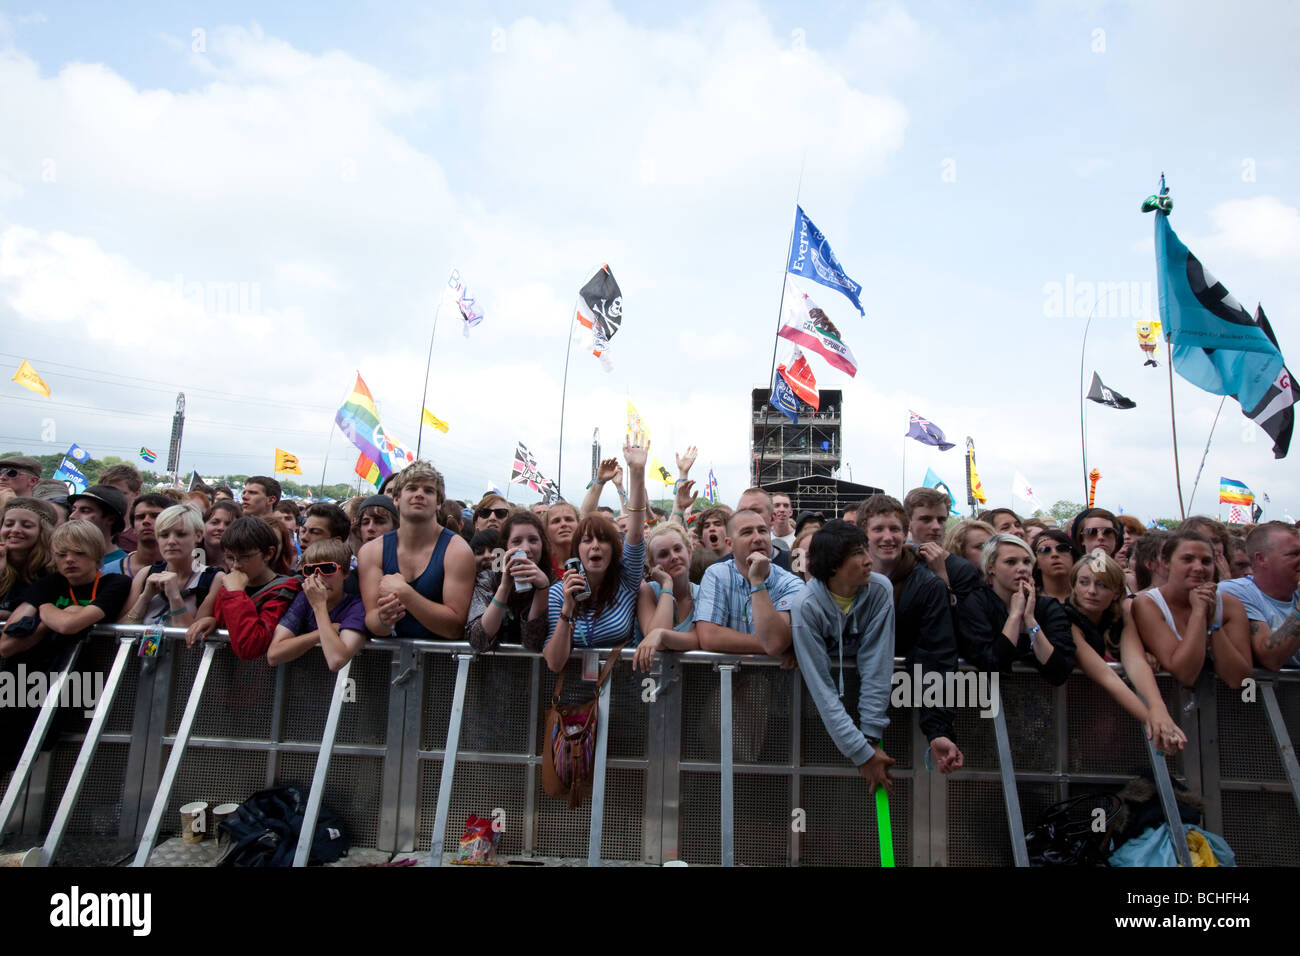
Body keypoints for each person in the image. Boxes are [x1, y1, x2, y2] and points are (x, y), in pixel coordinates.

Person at [859, 496, 964, 773]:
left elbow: (937, 657)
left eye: (895, 529)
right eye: (878, 529)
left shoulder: (928, 586)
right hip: (855, 706)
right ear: (863, 534)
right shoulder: (846, 578)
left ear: (905, 532)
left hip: (907, 705)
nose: (888, 537)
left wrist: (938, 730)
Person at [790, 520, 896, 793]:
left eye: (866, 550)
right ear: (834, 564)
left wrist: (871, 737)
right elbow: (821, 687)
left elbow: (878, 664)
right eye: (857, 554)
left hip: (871, 713)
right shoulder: (806, 606)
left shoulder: (880, 590)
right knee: (822, 787)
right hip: (815, 716)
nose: (868, 561)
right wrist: (860, 751)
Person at [1064, 552, 1186, 753]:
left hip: (1115, 719)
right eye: (1084, 582)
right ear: (1074, 586)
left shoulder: (1122, 616)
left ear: (1117, 592)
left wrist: (1159, 709)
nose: (1091, 591)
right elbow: (1106, 676)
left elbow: (1135, 663)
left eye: (1102, 585)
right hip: (1076, 718)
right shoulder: (1065, 618)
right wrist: (1157, 724)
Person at [545, 442, 648, 672]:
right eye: (587, 540)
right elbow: (554, 663)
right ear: (577, 549)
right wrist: (568, 608)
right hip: (573, 700)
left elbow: (636, 532)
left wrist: (638, 473)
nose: (595, 546)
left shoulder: (626, 580)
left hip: (622, 694)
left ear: (614, 549)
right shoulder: (557, 593)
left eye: (602, 540)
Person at [359, 461, 475, 641]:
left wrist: (405, 594)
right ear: (396, 499)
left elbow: (454, 627)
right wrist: (383, 620)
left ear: (438, 503)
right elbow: (373, 620)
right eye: (412, 488)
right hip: (386, 663)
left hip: (440, 662)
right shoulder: (371, 551)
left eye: (428, 490)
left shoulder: (457, 551)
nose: (419, 494)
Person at [1132, 530, 1253, 689]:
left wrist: (1213, 622)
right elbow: (1185, 674)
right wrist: (1198, 612)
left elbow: (1238, 679)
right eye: (1187, 559)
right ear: (1166, 562)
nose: (1198, 567)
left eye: (1206, 561)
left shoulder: (1230, 605)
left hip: (1222, 708)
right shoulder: (1148, 604)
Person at [0, 520, 132, 661]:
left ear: (97, 553)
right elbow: (5, 646)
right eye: (61, 555)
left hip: (89, 673)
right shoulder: (48, 583)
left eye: (79, 553)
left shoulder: (115, 583)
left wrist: (43, 611)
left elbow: (68, 625)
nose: (69, 559)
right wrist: (53, 618)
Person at [956, 534, 1075, 685]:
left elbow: (1060, 671)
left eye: (1027, 562)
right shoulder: (976, 603)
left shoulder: (1047, 607)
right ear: (990, 567)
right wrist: (1014, 616)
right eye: (1011, 562)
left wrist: (1030, 621)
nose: (1022, 569)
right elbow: (993, 666)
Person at [185, 516, 301, 660]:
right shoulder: (228, 586)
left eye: (244, 557)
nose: (235, 565)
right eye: (229, 557)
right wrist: (215, 623)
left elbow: (250, 647)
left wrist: (236, 594)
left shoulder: (285, 590)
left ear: (269, 554)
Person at [694, 508, 803, 657]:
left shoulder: (791, 583)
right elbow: (709, 637)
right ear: (730, 544)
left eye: (763, 531)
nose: (758, 538)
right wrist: (774, 644)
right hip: (726, 678)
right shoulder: (716, 574)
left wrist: (757, 582)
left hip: (776, 678)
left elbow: (774, 642)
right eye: (747, 532)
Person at [267, 539, 368, 669]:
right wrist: (320, 633)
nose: (319, 578)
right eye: (310, 570)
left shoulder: (357, 607)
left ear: (345, 572)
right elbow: (273, 655)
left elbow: (336, 660)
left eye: (327, 569)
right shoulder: (303, 599)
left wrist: (319, 606)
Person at [120, 504, 224, 628]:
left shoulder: (214, 579)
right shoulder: (146, 574)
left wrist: (175, 597)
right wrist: (145, 598)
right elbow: (121, 630)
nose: (171, 541)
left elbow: (193, 641)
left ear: (198, 536)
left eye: (181, 534)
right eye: (164, 535)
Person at [465, 512, 552, 653]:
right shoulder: (488, 578)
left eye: (533, 540)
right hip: (493, 670)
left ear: (542, 544)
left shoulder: (553, 582)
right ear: (505, 547)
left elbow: (533, 643)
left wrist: (543, 589)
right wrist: (504, 587)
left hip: (538, 671)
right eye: (517, 541)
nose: (526, 549)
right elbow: (478, 640)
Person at [1218, 522, 1300, 671]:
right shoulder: (1235, 592)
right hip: (1250, 693)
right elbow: (1270, 658)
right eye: (1294, 554)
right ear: (1261, 559)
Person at [633, 522, 700, 672]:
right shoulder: (647, 591)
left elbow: (700, 639)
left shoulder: (703, 593)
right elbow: (659, 644)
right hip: (649, 684)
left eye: (677, 549)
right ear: (652, 564)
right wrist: (667, 584)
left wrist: (662, 635)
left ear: (689, 552)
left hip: (694, 683)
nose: (674, 557)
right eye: (664, 554)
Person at [904, 487, 980, 604]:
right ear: (908, 523)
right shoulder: (897, 560)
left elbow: (960, 618)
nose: (936, 526)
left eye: (941, 520)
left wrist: (941, 576)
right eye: (926, 519)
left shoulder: (963, 570)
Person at [0, 497, 57, 621]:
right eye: (9, 524)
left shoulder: (53, 571)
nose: (15, 530)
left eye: (27, 525)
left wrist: (8, 615)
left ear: (43, 531)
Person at [104, 493, 172, 578]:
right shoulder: (106, 572)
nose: (146, 521)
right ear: (133, 528)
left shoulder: (185, 573)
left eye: (155, 516)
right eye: (140, 517)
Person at [67, 485, 129, 570]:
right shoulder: (63, 561)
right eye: (73, 509)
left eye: (85, 511)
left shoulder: (126, 566)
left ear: (111, 519)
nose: (72, 516)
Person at [99, 464, 144, 553]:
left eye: (119, 493)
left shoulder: (144, 532)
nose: (112, 497)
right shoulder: (91, 528)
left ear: (137, 493)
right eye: (107, 492)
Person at [1032, 529, 1081, 604]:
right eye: (1044, 550)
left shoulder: (1089, 594)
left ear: (1073, 556)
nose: (1054, 554)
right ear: (1036, 561)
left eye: (1062, 548)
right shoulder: (1029, 600)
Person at [544, 502, 580, 579]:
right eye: (556, 521)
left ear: (579, 525)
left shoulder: (590, 562)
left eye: (569, 519)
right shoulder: (541, 565)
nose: (563, 524)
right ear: (546, 530)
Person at [203, 499, 242, 569]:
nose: (221, 528)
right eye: (215, 522)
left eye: (228, 524)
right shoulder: (188, 559)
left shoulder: (243, 566)